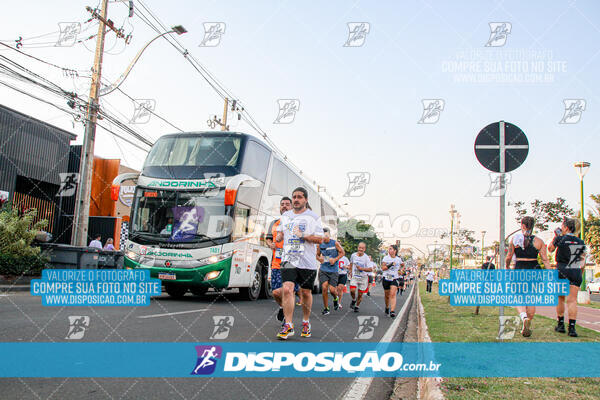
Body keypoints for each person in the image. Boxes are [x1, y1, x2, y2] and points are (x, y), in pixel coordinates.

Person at [276, 187, 324, 339]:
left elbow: (320, 239)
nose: (296, 199)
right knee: (288, 289)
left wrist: (303, 235)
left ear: (305, 200)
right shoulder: (286, 216)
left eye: (299, 197)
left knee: (305, 292)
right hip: (288, 259)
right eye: (294, 196)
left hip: (307, 261)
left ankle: (305, 321)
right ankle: (288, 325)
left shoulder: (313, 217)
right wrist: (278, 236)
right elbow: (281, 232)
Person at [505, 216, 551, 337]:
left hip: (519, 269)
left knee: (518, 297)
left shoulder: (514, 239)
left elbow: (509, 256)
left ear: (522, 225)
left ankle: (524, 317)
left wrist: (507, 267)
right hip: (535, 269)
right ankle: (528, 321)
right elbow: (545, 260)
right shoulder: (539, 241)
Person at [548, 218, 587, 337]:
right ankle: (572, 329)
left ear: (565, 227)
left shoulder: (560, 238)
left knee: (560, 298)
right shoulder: (580, 241)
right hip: (574, 270)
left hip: (562, 269)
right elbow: (583, 260)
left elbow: (550, 249)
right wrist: (580, 273)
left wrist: (556, 237)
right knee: (572, 300)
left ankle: (560, 325)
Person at [265, 197, 292, 324]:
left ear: (292, 207)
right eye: (282, 204)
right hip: (276, 263)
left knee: (287, 291)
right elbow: (268, 238)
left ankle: (287, 322)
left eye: (287, 204)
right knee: (276, 292)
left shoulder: (296, 222)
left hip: (291, 264)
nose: (284, 206)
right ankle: (282, 307)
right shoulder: (274, 223)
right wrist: (270, 244)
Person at [316, 227, 345, 315]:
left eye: (326, 235)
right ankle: (326, 308)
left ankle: (335, 299)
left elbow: (342, 253)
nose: (324, 238)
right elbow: (317, 255)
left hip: (333, 270)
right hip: (323, 269)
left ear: (329, 235)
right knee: (324, 288)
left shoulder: (335, 243)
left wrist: (335, 259)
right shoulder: (320, 244)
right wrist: (319, 259)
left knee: (332, 290)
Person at [349, 242, 373, 313]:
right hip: (355, 276)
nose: (360, 249)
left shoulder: (366, 258)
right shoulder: (353, 255)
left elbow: (370, 269)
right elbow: (351, 264)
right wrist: (350, 271)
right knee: (352, 290)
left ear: (364, 249)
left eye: (362, 248)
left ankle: (357, 306)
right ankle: (353, 300)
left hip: (363, 278)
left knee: (360, 294)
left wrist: (362, 269)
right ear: (358, 247)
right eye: (359, 247)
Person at [381, 245, 404, 318]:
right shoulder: (386, 258)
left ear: (395, 251)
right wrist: (390, 265)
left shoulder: (398, 259)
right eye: (389, 249)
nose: (389, 250)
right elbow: (383, 268)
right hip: (386, 278)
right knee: (387, 295)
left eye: (390, 249)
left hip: (394, 278)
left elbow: (403, 265)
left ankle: (392, 311)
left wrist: (401, 271)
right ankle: (387, 307)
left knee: (393, 294)